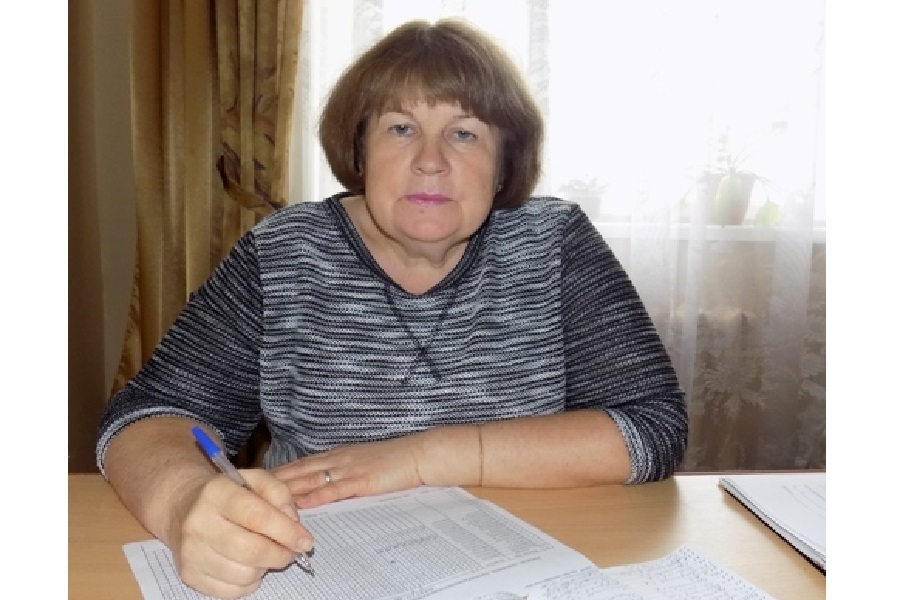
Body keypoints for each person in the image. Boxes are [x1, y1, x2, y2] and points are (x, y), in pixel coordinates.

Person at [96, 18, 688, 599]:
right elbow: (147, 417)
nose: (431, 160)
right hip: (323, 573)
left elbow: (653, 425)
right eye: (401, 128)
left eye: (464, 133)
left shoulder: (554, 241)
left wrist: (421, 457)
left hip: (528, 569)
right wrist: (183, 506)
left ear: (505, 162)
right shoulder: (284, 253)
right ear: (360, 149)